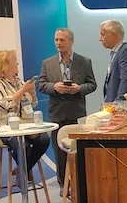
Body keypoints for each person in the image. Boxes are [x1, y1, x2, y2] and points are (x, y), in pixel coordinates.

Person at [37, 28, 96, 187]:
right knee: (59, 152)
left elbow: (92, 84)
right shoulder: (47, 63)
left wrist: (79, 89)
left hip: (77, 112)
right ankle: (64, 185)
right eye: (56, 40)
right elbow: (41, 85)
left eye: (62, 40)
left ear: (71, 41)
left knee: (78, 150)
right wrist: (54, 87)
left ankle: (80, 184)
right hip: (57, 113)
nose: (58, 43)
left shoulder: (84, 62)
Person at [0, 50, 50, 186]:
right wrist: (23, 91)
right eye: (14, 61)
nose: (17, 63)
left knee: (44, 139)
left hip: (25, 124)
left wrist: (31, 93)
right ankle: (24, 172)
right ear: (4, 65)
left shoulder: (18, 81)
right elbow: (5, 105)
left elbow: (32, 104)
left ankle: (22, 169)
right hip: (3, 127)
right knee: (22, 146)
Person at [99, 20, 127, 102]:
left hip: (122, 109)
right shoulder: (117, 53)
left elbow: (126, 81)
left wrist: (118, 104)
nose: (100, 39)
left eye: (102, 34)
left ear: (113, 35)